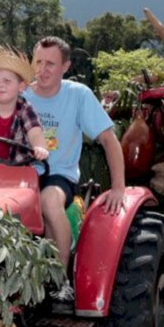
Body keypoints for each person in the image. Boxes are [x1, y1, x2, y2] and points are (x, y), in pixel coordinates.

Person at [23, 36, 125, 302]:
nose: (42, 70)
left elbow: (108, 139)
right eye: (38, 62)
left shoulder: (78, 95)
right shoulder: (22, 95)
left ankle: (61, 279)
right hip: (20, 174)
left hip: (58, 175)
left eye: (50, 64)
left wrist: (118, 188)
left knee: (48, 201)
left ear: (65, 66)